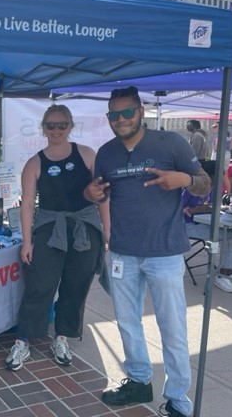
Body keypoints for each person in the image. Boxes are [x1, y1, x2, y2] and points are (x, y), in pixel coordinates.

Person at [85, 86, 210, 417]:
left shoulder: (171, 143)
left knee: (172, 328)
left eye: (127, 112)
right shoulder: (107, 153)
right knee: (127, 323)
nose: (121, 119)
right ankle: (139, 381)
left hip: (165, 252)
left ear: (141, 112)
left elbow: (204, 183)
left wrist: (181, 178)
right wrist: (91, 192)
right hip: (123, 252)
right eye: (114, 114)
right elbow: (101, 195)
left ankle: (178, 401)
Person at [4, 104, 108, 372]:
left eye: (62, 125)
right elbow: (27, 205)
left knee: (76, 286)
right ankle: (23, 339)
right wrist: (27, 241)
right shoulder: (35, 163)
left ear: (71, 127)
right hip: (50, 229)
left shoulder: (86, 155)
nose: (56, 130)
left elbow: (103, 197)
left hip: (84, 228)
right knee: (40, 285)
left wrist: (108, 232)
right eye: (51, 125)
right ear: (43, 128)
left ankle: (61, 337)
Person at [183, 160, 232, 293]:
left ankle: (229, 270)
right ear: (208, 176)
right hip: (187, 225)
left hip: (205, 222)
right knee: (230, 237)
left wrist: (220, 208)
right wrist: (195, 210)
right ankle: (222, 274)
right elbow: (176, 210)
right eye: (218, 176)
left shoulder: (213, 189)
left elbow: (213, 206)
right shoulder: (191, 188)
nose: (221, 179)